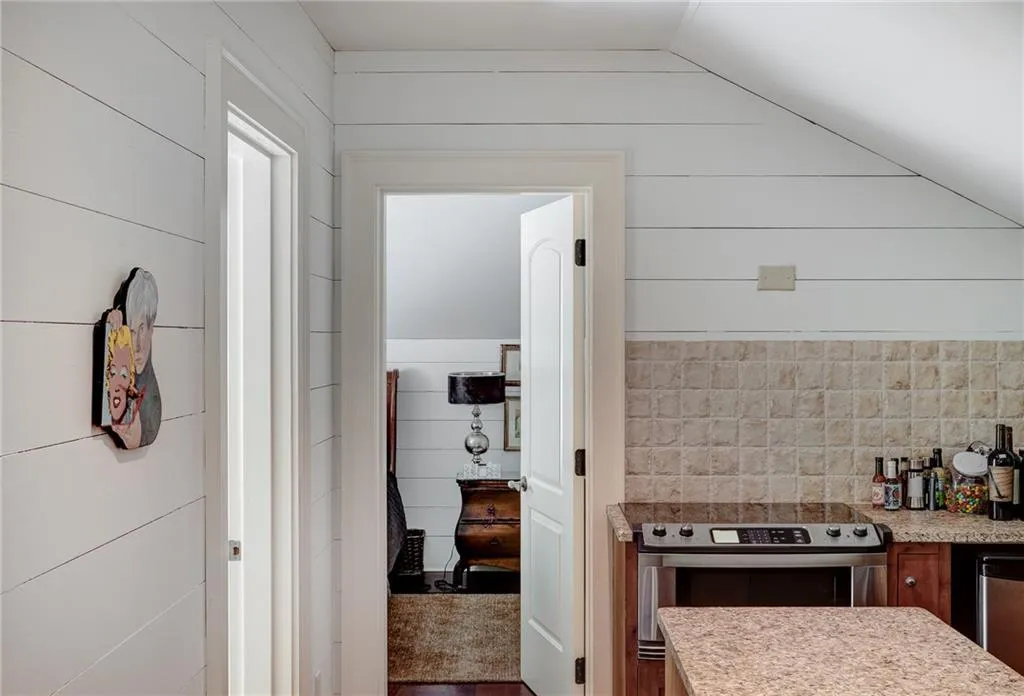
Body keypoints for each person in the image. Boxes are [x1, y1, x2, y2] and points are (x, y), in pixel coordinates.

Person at [107, 269, 161, 448]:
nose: (137, 345)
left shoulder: (151, 406)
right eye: (131, 331)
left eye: (142, 329)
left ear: (152, 328)